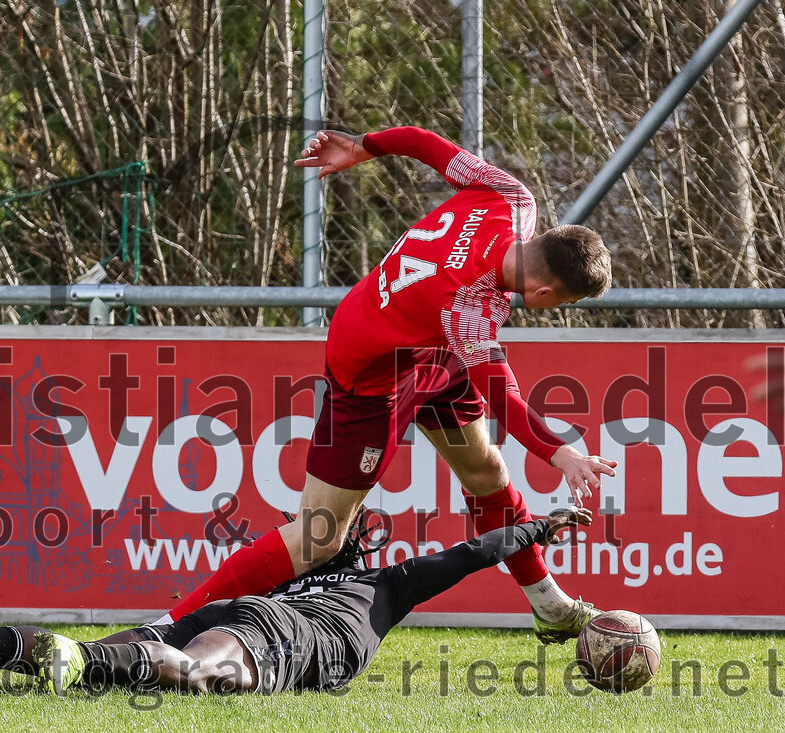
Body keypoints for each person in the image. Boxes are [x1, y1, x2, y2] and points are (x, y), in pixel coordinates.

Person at [160, 126, 617, 644]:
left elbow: (426, 142)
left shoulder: (510, 197)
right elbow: (501, 394)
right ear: (543, 289)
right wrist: (559, 453)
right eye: (563, 304)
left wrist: (365, 146)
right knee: (320, 537)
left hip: (431, 350)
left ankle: (551, 609)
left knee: (486, 471)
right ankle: (171, 625)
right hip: (372, 374)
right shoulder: (467, 303)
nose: (556, 311)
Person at [0, 507, 592, 696]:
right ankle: (73, 654)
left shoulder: (280, 581)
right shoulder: (384, 586)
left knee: (126, 659)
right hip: (286, 638)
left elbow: (196, 614)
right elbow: (468, 555)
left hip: (248, 616)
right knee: (196, 676)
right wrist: (540, 526)